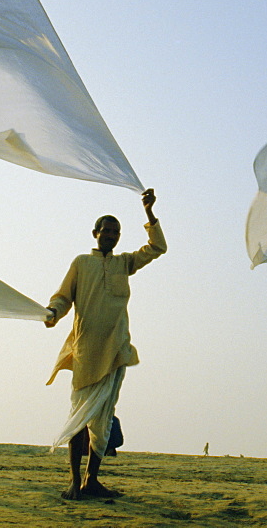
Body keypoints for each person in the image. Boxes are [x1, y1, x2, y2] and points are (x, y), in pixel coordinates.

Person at [45, 188, 166, 500]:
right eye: (106, 231)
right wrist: (53, 313)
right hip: (86, 352)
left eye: (116, 232)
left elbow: (158, 247)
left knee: (103, 417)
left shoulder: (124, 263)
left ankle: (92, 481)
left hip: (115, 351)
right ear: (96, 233)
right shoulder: (81, 263)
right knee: (80, 417)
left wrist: (149, 212)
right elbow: (63, 296)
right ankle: (74, 481)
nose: (111, 235)